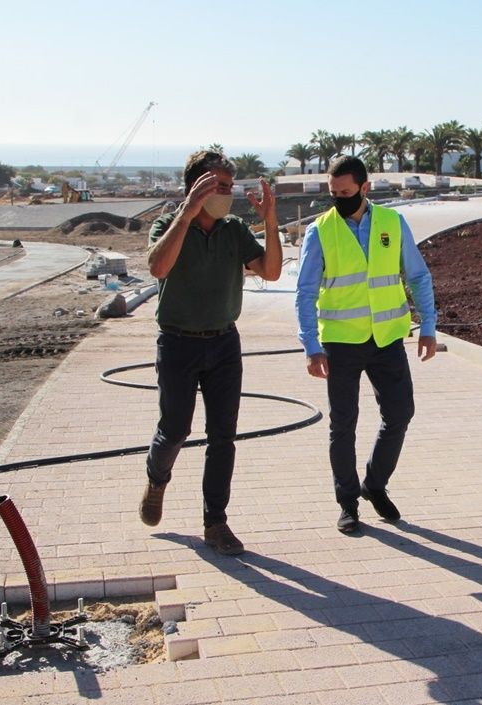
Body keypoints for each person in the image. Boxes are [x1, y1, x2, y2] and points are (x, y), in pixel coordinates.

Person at [138, 150, 284, 555]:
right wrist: (186, 215)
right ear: (193, 186)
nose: (224, 194)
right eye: (215, 186)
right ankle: (156, 478)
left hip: (223, 343)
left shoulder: (234, 229)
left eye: (227, 187)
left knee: (223, 437)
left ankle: (215, 523)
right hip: (178, 343)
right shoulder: (169, 224)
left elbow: (271, 271)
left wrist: (270, 220)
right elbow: (157, 268)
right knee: (175, 430)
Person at [295, 155, 438, 534]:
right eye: (333, 193)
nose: (339, 198)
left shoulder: (393, 223)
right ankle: (347, 501)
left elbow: (419, 276)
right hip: (340, 342)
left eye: (346, 192)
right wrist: (311, 345)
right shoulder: (320, 231)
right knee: (343, 424)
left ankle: (373, 485)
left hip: (388, 338)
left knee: (401, 413)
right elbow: (305, 291)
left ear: (365, 187)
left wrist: (428, 326)